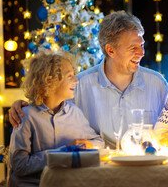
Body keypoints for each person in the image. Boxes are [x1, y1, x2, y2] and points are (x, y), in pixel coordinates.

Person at [9, 11, 168, 147]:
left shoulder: (157, 84)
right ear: (111, 50)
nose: (141, 53)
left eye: (141, 45)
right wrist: (21, 108)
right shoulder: (78, 86)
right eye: (133, 48)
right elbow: (46, 117)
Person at [9, 50, 104, 186]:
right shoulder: (26, 116)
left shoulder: (74, 113)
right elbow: (20, 166)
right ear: (50, 80)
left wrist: (89, 145)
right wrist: (64, 152)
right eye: (70, 76)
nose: (76, 81)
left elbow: (98, 142)